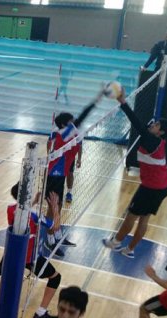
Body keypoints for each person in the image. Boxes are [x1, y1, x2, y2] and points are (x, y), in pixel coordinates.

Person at [0, 183, 62, 318]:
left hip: (13, 251)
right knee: (56, 277)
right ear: (26, 196)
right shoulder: (34, 215)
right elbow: (55, 226)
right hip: (30, 257)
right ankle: (40, 312)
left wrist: (33, 202)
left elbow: (23, 212)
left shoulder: (10, 209)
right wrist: (55, 207)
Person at [103, 88, 167, 258]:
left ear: (161, 132)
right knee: (144, 218)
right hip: (162, 187)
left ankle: (116, 242)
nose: (153, 125)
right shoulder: (159, 142)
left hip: (151, 188)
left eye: (156, 125)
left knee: (132, 215)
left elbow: (137, 124)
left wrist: (123, 102)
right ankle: (130, 250)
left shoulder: (152, 140)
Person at [44, 90, 103, 256]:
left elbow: (81, 118)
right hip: (54, 174)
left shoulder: (70, 132)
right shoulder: (63, 133)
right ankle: (49, 240)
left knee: (59, 206)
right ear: (64, 124)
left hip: (60, 174)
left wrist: (96, 100)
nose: (74, 123)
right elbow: (82, 117)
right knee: (52, 208)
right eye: (71, 121)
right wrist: (95, 101)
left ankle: (57, 235)